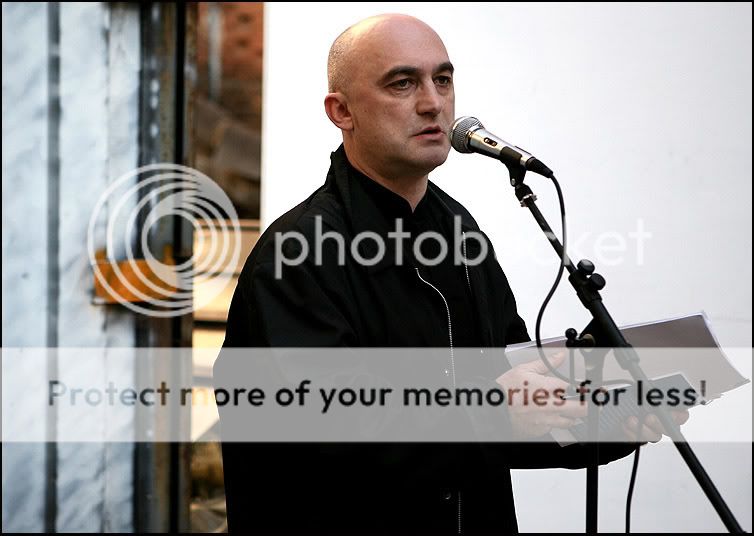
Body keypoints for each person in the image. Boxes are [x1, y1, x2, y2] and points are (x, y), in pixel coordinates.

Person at [215, 14, 687, 533]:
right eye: (402, 83)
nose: (432, 102)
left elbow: (512, 409)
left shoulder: (460, 232)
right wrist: (492, 414)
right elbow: (326, 430)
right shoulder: (296, 254)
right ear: (342, 111)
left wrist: (608, 420)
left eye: (442, 80)